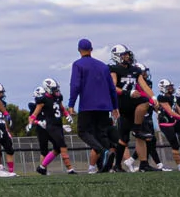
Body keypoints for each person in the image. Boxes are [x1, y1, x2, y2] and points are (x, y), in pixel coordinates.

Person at [106, 45, 159, 173]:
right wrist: (127, 92)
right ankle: (136, 129)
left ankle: (141, 164)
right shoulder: (114, 69)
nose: (127, 57)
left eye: (127, 54)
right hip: (123, 101)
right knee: (144, 102)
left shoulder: (135, 70)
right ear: (117, 56)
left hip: (134, 106)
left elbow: (144, 86)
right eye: (124, 55)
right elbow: (112, 87)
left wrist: (154, 97)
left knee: (127, 138)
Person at [68, 38, 117, 174]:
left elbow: (75, 85)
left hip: (87, 105)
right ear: (91, 49)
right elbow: (112, 88)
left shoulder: (78, 65)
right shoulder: (103, 66)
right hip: (104, 106)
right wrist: (115, 106)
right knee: (100, 134)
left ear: (79, 50)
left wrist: (71, 104)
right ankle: (104, 166)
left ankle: (103, 151)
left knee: (83, 131)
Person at [28, 79, 74, 175]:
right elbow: (34, 114)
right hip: (51, 126)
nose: (56, 91)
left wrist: (67, 115)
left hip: (59, 124)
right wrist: (31, 122)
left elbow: (61, 108)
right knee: (63, 146)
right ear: (47, 89)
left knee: (57, 148)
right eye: (54, 89)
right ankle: (70, 169)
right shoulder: (43, 99)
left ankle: (42, 167)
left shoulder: (58, 97)